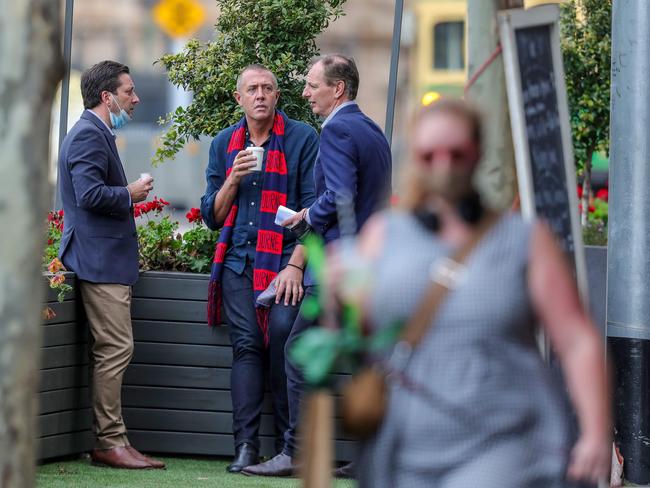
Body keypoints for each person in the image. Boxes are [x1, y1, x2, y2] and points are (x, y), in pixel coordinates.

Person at [343, 99, 611, 487]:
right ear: (414, 158)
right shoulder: (382, 236)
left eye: (456, 153)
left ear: (478, 154)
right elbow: (358, 328)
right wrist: (339, 295)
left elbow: (576, 340)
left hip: (502, 443)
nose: (444, 166)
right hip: (401, 445)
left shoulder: (523, 240)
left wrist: (596, 433)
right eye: (430, 154)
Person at [242, 54, 392, 477]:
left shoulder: (339, 129)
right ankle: (370, 458)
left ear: (338, 88)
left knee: (298, 353)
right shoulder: (370, 129)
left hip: (340, 266)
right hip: (369, 263)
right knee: (364, 359)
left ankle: (298, 453)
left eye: (312, 85)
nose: (305, 93)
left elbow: (340, 197)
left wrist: (304, 217)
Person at [199, 64, 319, 473]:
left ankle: (291, 448)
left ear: (277, 96)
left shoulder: (302, 139)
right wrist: (233, 179)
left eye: (268, 88)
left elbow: (315, 212)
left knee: (284, 341)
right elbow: (212, 217)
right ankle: (246, 447)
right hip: (238, 262)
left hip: (285, 261)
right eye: (252, 89)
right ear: (240, 98)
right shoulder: (223, 144)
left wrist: (296, 267)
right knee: (247, 347)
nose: (261, 95)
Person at [58, 60, 164, 469]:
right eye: (128, 92)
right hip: (99, 263)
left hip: (99, 259)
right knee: (116, 348)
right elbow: (89, 195)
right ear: (107, 97)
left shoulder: (93, 132)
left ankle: (114, 440)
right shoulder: (88, 134)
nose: (135, 99)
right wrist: (130, 192)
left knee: (112, 349)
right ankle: (109, 443)